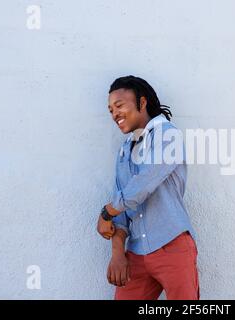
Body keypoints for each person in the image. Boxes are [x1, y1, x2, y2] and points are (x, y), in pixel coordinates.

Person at [96, 75, 199, 300]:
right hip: (136, 252)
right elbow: (121, 203)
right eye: (111, 110)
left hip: (172, 245)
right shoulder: (124, 151)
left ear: (142, 103)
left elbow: (143, 185)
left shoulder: (168, 135)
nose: (114, 114)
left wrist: (107, 212)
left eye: (120, 105)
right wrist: (117, 254)